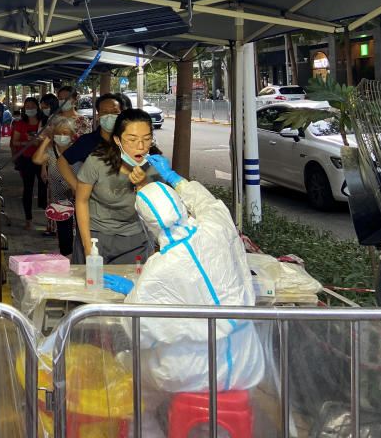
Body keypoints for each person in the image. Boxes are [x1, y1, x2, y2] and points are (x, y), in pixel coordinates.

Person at [126, 157, 263, 394]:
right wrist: (174, 178)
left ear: (146, 222)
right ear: (180, 205)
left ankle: (150, 428)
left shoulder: (159, 268)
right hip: (248, 362)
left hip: (190, 374)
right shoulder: (216, 229)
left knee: (128, 368)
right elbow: (207, 203)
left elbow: (138, 329)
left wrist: (130, 294)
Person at [74, 109, 161, 264]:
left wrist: (142, 185)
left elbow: (155, 211)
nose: (140, 146)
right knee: (92, 285)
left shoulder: (156, 166)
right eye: (132, 139)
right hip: (95, 235)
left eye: (147, 139)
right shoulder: (97, 162)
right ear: (117, 140)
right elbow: (81, 201)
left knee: (131, 285)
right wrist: (87, 247)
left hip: (134, 238)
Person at [56, 92, 130, 193]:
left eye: (114, 112)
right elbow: (61, 162)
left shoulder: (130, 140)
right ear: (98, 115)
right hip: (96, 202)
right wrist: (78, 188)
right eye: (104, 112)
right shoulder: (87, 141)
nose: (109, 116)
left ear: (121, 114)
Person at [32, 116, 77, 251]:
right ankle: (67, 260)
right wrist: (46, 139)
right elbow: (37, 159)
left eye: (65, 133)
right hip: (60, 202)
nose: (62, 136)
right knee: (65, 238)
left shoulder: (78, 151)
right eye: (58, 133)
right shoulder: (51, 153)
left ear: (72, 135)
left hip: (79, 199)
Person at [11, 96, 47, 230]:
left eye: (32, 106)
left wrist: (40, 141)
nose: (30, 108)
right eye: (27, 106)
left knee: (44, 188)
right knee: (28, 189)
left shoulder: (44, 122)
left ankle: (48, 218)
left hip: (42, 160)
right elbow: (14, 142)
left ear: (37, 107)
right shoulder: (20, 124)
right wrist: (27, 142)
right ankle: (28, 219)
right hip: (26, 160)